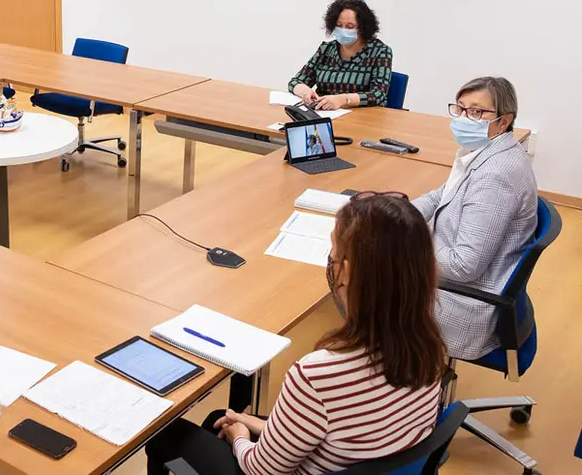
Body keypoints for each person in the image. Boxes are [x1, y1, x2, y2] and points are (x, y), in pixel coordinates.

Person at [145, 194, 446, 475]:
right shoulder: (429, 349)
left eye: (334, 254)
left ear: (349, 273)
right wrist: (260, 426)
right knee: (217, 420)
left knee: (167, 434)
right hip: (360, 458)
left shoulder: (317, 376)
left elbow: (259, 469)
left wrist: (240, 437)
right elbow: (347, 431)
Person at [412, 77, 537, 361]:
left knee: (359, 275)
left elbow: (463, 266)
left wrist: (405, 247)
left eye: (477, 112)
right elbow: (439, 196)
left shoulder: (495, 175)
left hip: (463, 304)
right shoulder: (487, 151)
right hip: (473, 279)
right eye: (460, 108)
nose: (465, 118)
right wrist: (397, 217)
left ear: (503, 122)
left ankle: (397, 379)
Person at [288, 0, 393, 109]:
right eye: (338, 25)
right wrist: (305, 92)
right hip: (324, 114)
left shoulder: (380, 52)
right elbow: (295, 82)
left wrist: (344, 100)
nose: (343, 30)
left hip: (361, 118)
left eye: (350, 26)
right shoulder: (326, 50)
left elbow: (378, 95)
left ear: (363, 28)